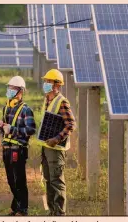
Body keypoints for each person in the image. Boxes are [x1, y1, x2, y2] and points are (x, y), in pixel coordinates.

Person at [0, 76, 36, 216]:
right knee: (11, 180)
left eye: (12, 88)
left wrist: (12, 129)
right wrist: (1, 127)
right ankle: (16, 207)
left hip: (18, 150)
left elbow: (31, 130)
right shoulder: (6, 108)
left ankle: (22, 209)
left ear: (20, 91)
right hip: (6, 148)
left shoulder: (26, 110)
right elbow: (5, 131)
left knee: (19, 181)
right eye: (9, 87)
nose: (9, 90)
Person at [38, 69, 76, 216]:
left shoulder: (62, 102)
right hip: (46, 147)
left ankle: (60, 214)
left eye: (49, 81)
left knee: (57, 180)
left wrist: (57, 139)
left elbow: (71, 124)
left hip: (55, 148)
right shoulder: (47, 99)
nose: (46, 84)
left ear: (57, 85)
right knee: (48, 180)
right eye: (45, 81)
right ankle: (52, 211)